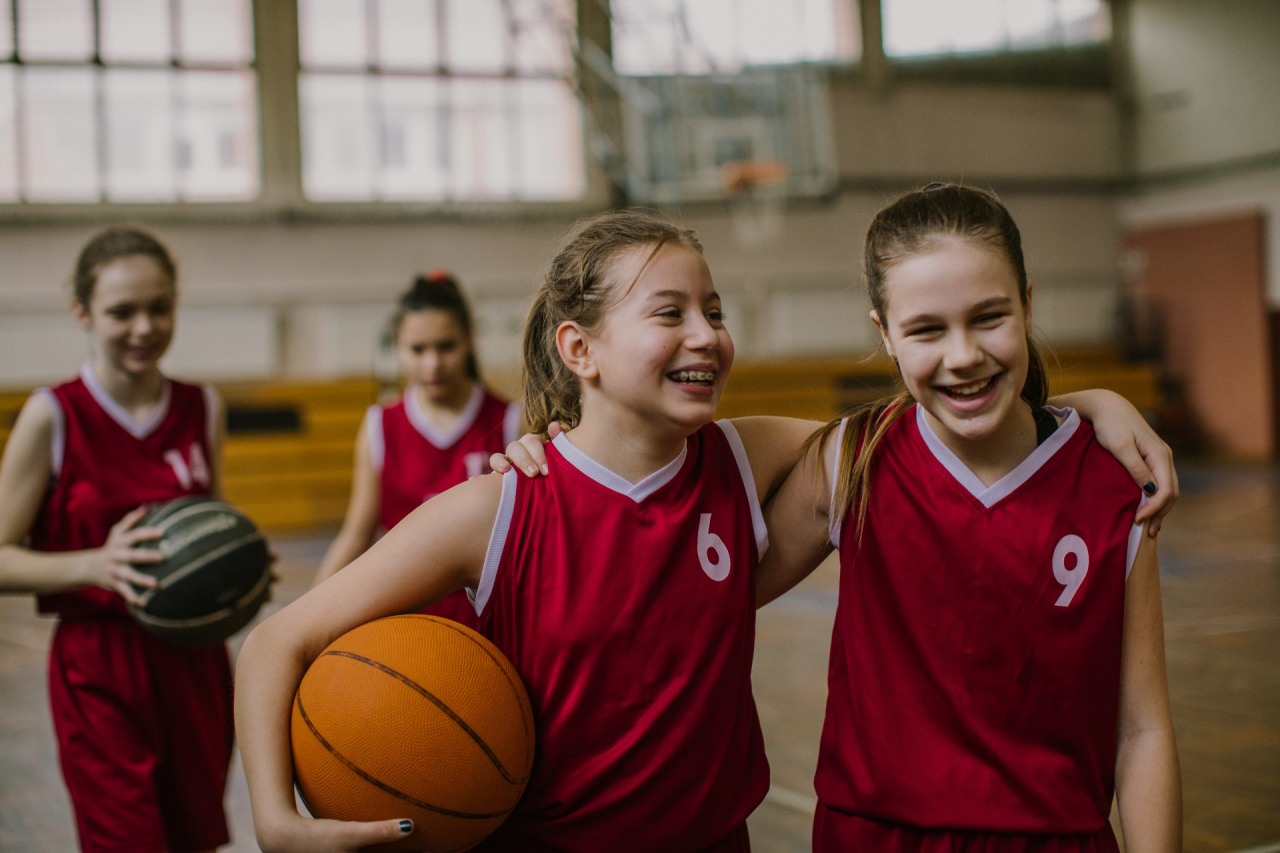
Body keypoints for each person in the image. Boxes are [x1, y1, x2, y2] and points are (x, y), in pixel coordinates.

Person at [235, 208, 818, 852]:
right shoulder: (501, 505)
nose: (706, 334)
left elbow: (885, 443)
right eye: (669, 313)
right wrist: (275, 821)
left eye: (714, 311)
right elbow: (273, 644)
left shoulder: (743, 455)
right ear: (579, 349)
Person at [756, 183, 1181, 849]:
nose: (962, 354)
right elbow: (714, 596)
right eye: (927, 328)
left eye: (988, 318)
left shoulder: (1114, 486)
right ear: (885, 335)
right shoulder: (852, 462)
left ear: (1028, 304)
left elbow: (1143, 727)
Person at [0, 226, 236, 852]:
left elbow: (211, 524)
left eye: (160, 308)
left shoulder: (202, 407)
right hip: (99, 666)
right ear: (82, 312)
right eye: (121, 312)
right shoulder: (53, 414)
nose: (144, 327)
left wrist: (240, 567)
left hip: (194, 661)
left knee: (196, 838)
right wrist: (94, 566)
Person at [310, 270, 520, 627]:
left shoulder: (511, 421)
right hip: (402, 620)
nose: (432, 363)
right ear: (398, 344)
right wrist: (307, 614)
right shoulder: (380, 425)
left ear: (469, 339)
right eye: (418, 349)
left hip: (488, 624)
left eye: (446, 346)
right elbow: (357, 534)